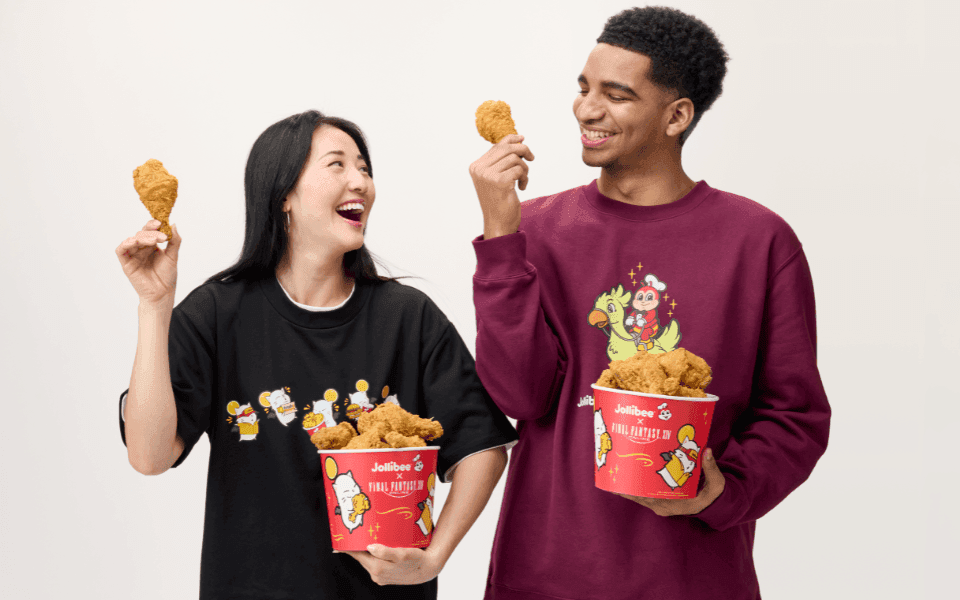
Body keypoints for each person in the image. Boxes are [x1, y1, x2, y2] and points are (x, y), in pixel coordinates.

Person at [468, 7, 830, 600]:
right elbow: (519, 395)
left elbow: (796, 417)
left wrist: (722, 491)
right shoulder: (531, 229)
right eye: (583, 89)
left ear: (676, 115)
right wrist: (501, 241)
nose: (587, 109)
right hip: (543, 575)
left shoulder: (759, 241)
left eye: (617, 94)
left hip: (693, 578)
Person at [116, 110, 518, 600]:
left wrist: (435, 557)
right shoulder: (220, 311)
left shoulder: (407, 317)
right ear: (284, 193)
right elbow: (150, 455)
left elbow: (480, 447)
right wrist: (155, 306)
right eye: (337, 165)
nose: (361, 183)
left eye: (365, 168)